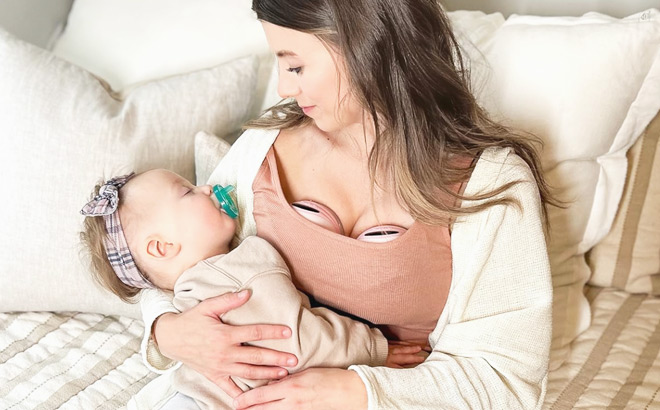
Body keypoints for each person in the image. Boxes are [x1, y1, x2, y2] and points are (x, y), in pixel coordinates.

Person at [137, 0, 555, 408]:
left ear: (367, 48)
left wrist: (357, 392)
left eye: (296, 65)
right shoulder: (262, 150)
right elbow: (170, 253)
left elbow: (507, 380)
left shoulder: (493, 182)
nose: (284, 88)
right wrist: (168, 331)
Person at [79, 169, 425, 410]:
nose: (207, 188)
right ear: (163, 248)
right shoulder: (240, 272)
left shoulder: (188, 293)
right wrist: (373, 347)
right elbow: (299, 342)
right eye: (188, 191)